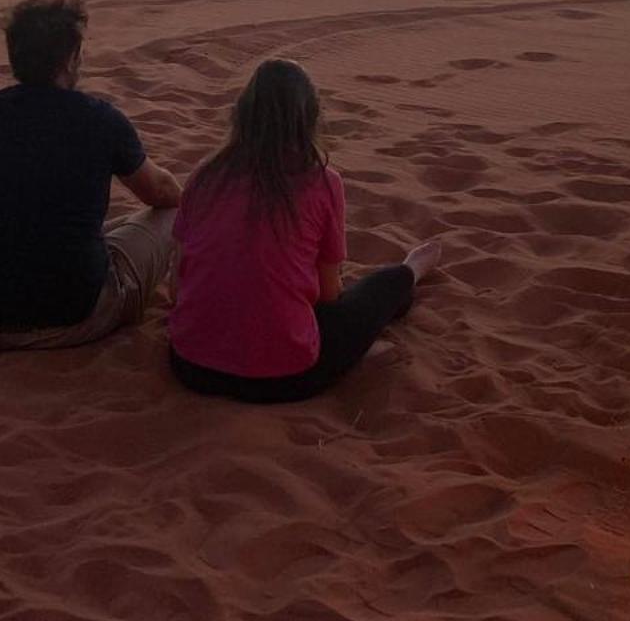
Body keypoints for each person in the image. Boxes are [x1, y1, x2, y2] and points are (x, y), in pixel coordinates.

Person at [168, 59, 439, 403]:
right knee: (380, 291)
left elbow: (176, 286)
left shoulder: (205, 175)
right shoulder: (323, 183)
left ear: (242, 113)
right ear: (309, 119)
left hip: (190, 365)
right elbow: (328, 295)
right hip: (284, 378)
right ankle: (412, 270)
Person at [0, 0, 182, 350]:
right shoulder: (99, 119)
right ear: (69, 59)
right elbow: (161, 192)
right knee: (174, 214)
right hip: (73, 316)